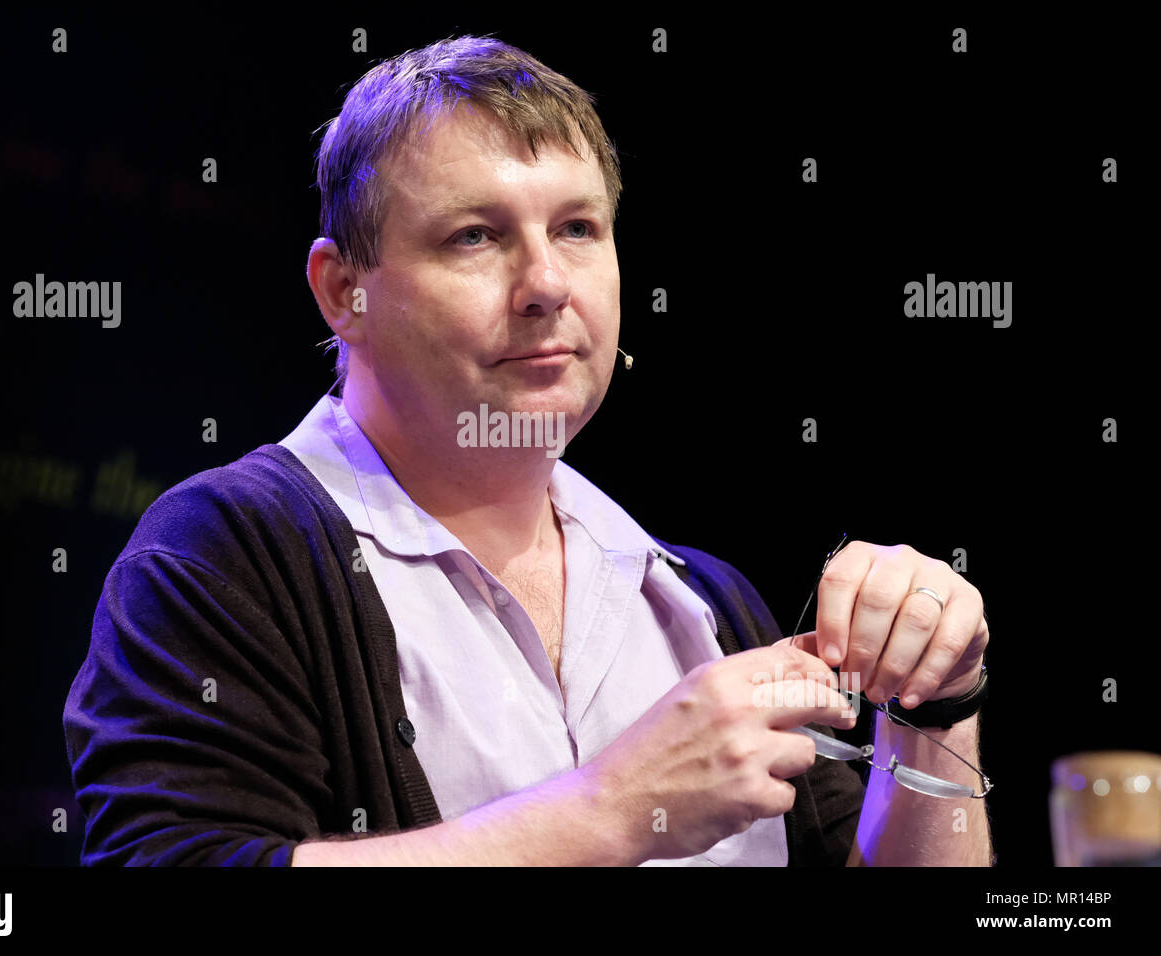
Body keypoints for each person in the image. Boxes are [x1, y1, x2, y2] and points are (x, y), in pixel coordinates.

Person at [63, 35, 993, 867]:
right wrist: (611, 811)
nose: (547, 283)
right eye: (476, 236)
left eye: (578, 229)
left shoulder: (701, 603)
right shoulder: (223, 554)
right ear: (343, 290)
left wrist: (931, 715)